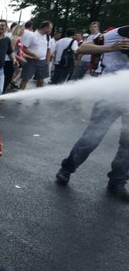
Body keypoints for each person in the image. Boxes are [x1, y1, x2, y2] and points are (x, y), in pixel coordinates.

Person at [55, 25, 129, 201]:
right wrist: (112, 48)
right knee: (92, 137)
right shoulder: (119, 33)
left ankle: (117, 182)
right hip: (110, 95)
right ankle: (67, 168)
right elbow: (83, 48)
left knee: (127, 145)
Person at [19, 20, 53, 90]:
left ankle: (37, 96)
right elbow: (23, 48)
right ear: (46, 27)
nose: (51, 30)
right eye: (50, 28)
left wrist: (47, 61)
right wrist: (33, 55)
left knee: (41, 80)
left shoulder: (48, 37)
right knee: (25, 79)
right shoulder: (32, 35)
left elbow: (48, 49)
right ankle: (19, 94)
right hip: (31, 61)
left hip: (42, 62)